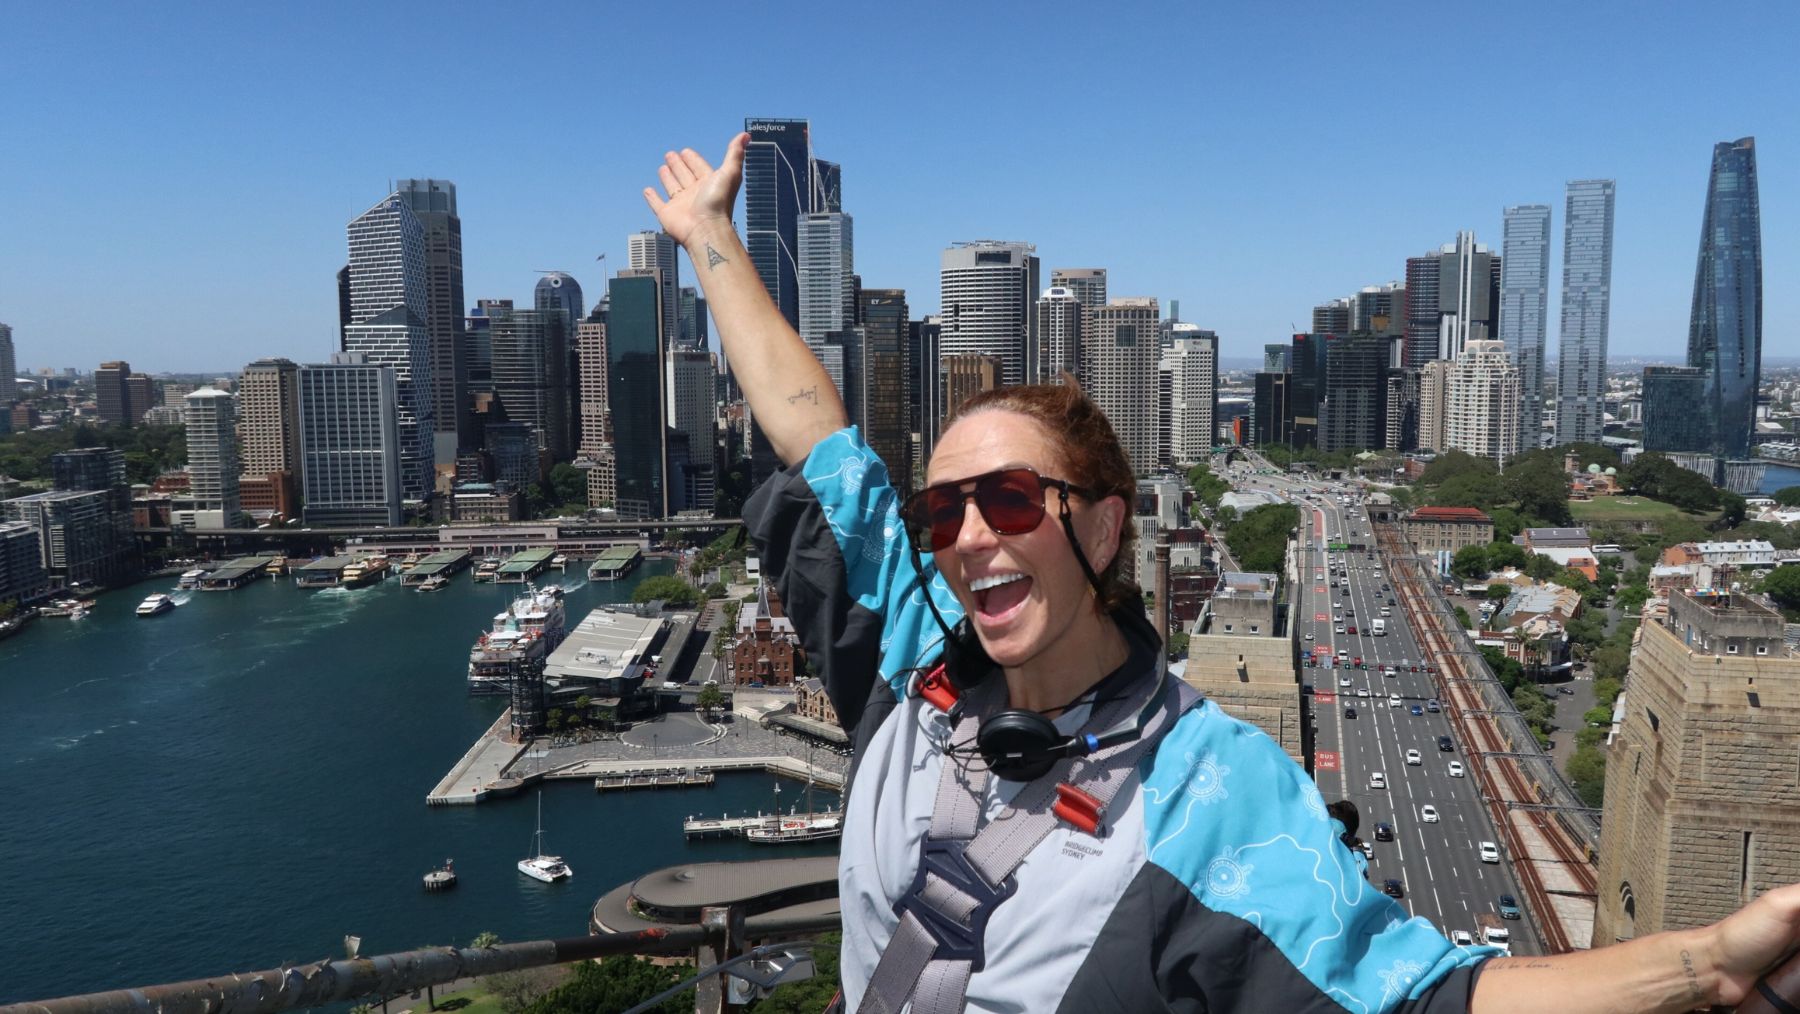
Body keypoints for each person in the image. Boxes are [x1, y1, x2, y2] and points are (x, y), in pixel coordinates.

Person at [645, 134, 1800, 1013]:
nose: (970, 536)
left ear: (1105, 531)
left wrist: (1696, 966)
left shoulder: (1212, 789)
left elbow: (1422, 996)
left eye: (1011, 501)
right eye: (944, 511)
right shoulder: (911, 660)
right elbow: (820, 440)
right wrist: (709, 238)